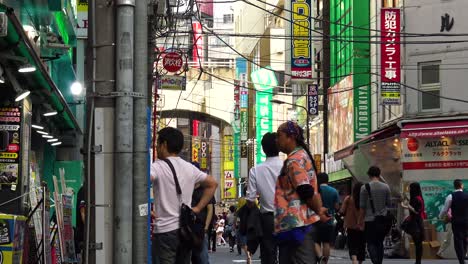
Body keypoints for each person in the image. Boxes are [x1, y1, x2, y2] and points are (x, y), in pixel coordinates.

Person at [151, 127, 218, 264]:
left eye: (158, 143)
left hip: (164, 231)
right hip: (185, 230)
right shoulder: (190, 168)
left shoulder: (157, 166)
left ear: (164, 145)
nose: (156, 147)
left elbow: (141, 181)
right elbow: (212, 184)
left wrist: (147, 209)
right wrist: (198, 208)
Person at [274, 121, 328, 264]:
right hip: (297, 225)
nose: (277, 140)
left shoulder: (294, 161)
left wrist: (319, 211)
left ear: (291, 137)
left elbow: (305, 190)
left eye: (279, 136)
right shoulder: (302, 155)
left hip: (297, 225)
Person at [246, 132, 282, 264]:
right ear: (279, 146)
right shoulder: (288, 166)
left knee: (268, 253)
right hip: (288, 216)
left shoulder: (256, 170)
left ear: (263, 149)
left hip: (267, 218)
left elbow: (250, 199)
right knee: (287, 251)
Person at [359, 166, 391, 264]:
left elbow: (362, 207)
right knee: (379, 242)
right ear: (379, 174)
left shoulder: (364, 188)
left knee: (370, 243)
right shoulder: (386, 187)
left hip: (369, 220)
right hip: (382, 220)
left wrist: (360, 221)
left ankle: (375, 262)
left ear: (369, 174)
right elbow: (388, 203)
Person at [191, 162, 216, 264]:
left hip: (201, 227)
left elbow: (210, 209)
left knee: (202, 256)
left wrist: (206, 227)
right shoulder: (187, 188)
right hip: (188, 228)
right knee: (191, 256)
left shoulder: (206, 189)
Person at [439, 179, 468, 264]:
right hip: (466, 222)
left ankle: (461, 260)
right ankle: (463, 256)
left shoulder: (450, 196)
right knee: (465, 240)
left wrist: (440, 217)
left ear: (454, 186)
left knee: (458, 241)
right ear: (462, 185)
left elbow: (445, 210)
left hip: (456, 222)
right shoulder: (467, 195)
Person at [315, 172, 340, 264]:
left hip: (316, 220)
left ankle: (319, 257)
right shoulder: (334, 191)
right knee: (326, 243)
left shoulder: (315, 190)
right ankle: (325, 262)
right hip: (329, 220)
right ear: (327, 180)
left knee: (315, 241)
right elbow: (337, 207)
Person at [340, 182, 365, 264]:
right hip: (362, 225)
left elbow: (342, 211)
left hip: (351, 225)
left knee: (352, 243)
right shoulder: (366, 199)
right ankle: (360, 261)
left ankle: (354, 260)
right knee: (361, 244)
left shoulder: (348, 198)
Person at [401, 182, 426, 264]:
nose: (410, 190)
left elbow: (416, 211)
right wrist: (405, 206)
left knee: (417, 243)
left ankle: (418, 261)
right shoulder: (420, 198)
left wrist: (407, 206)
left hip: (415, 223)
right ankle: (418, 261)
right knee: (418, 243)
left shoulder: (415, 199)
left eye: (411, 188)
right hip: (419, 222)